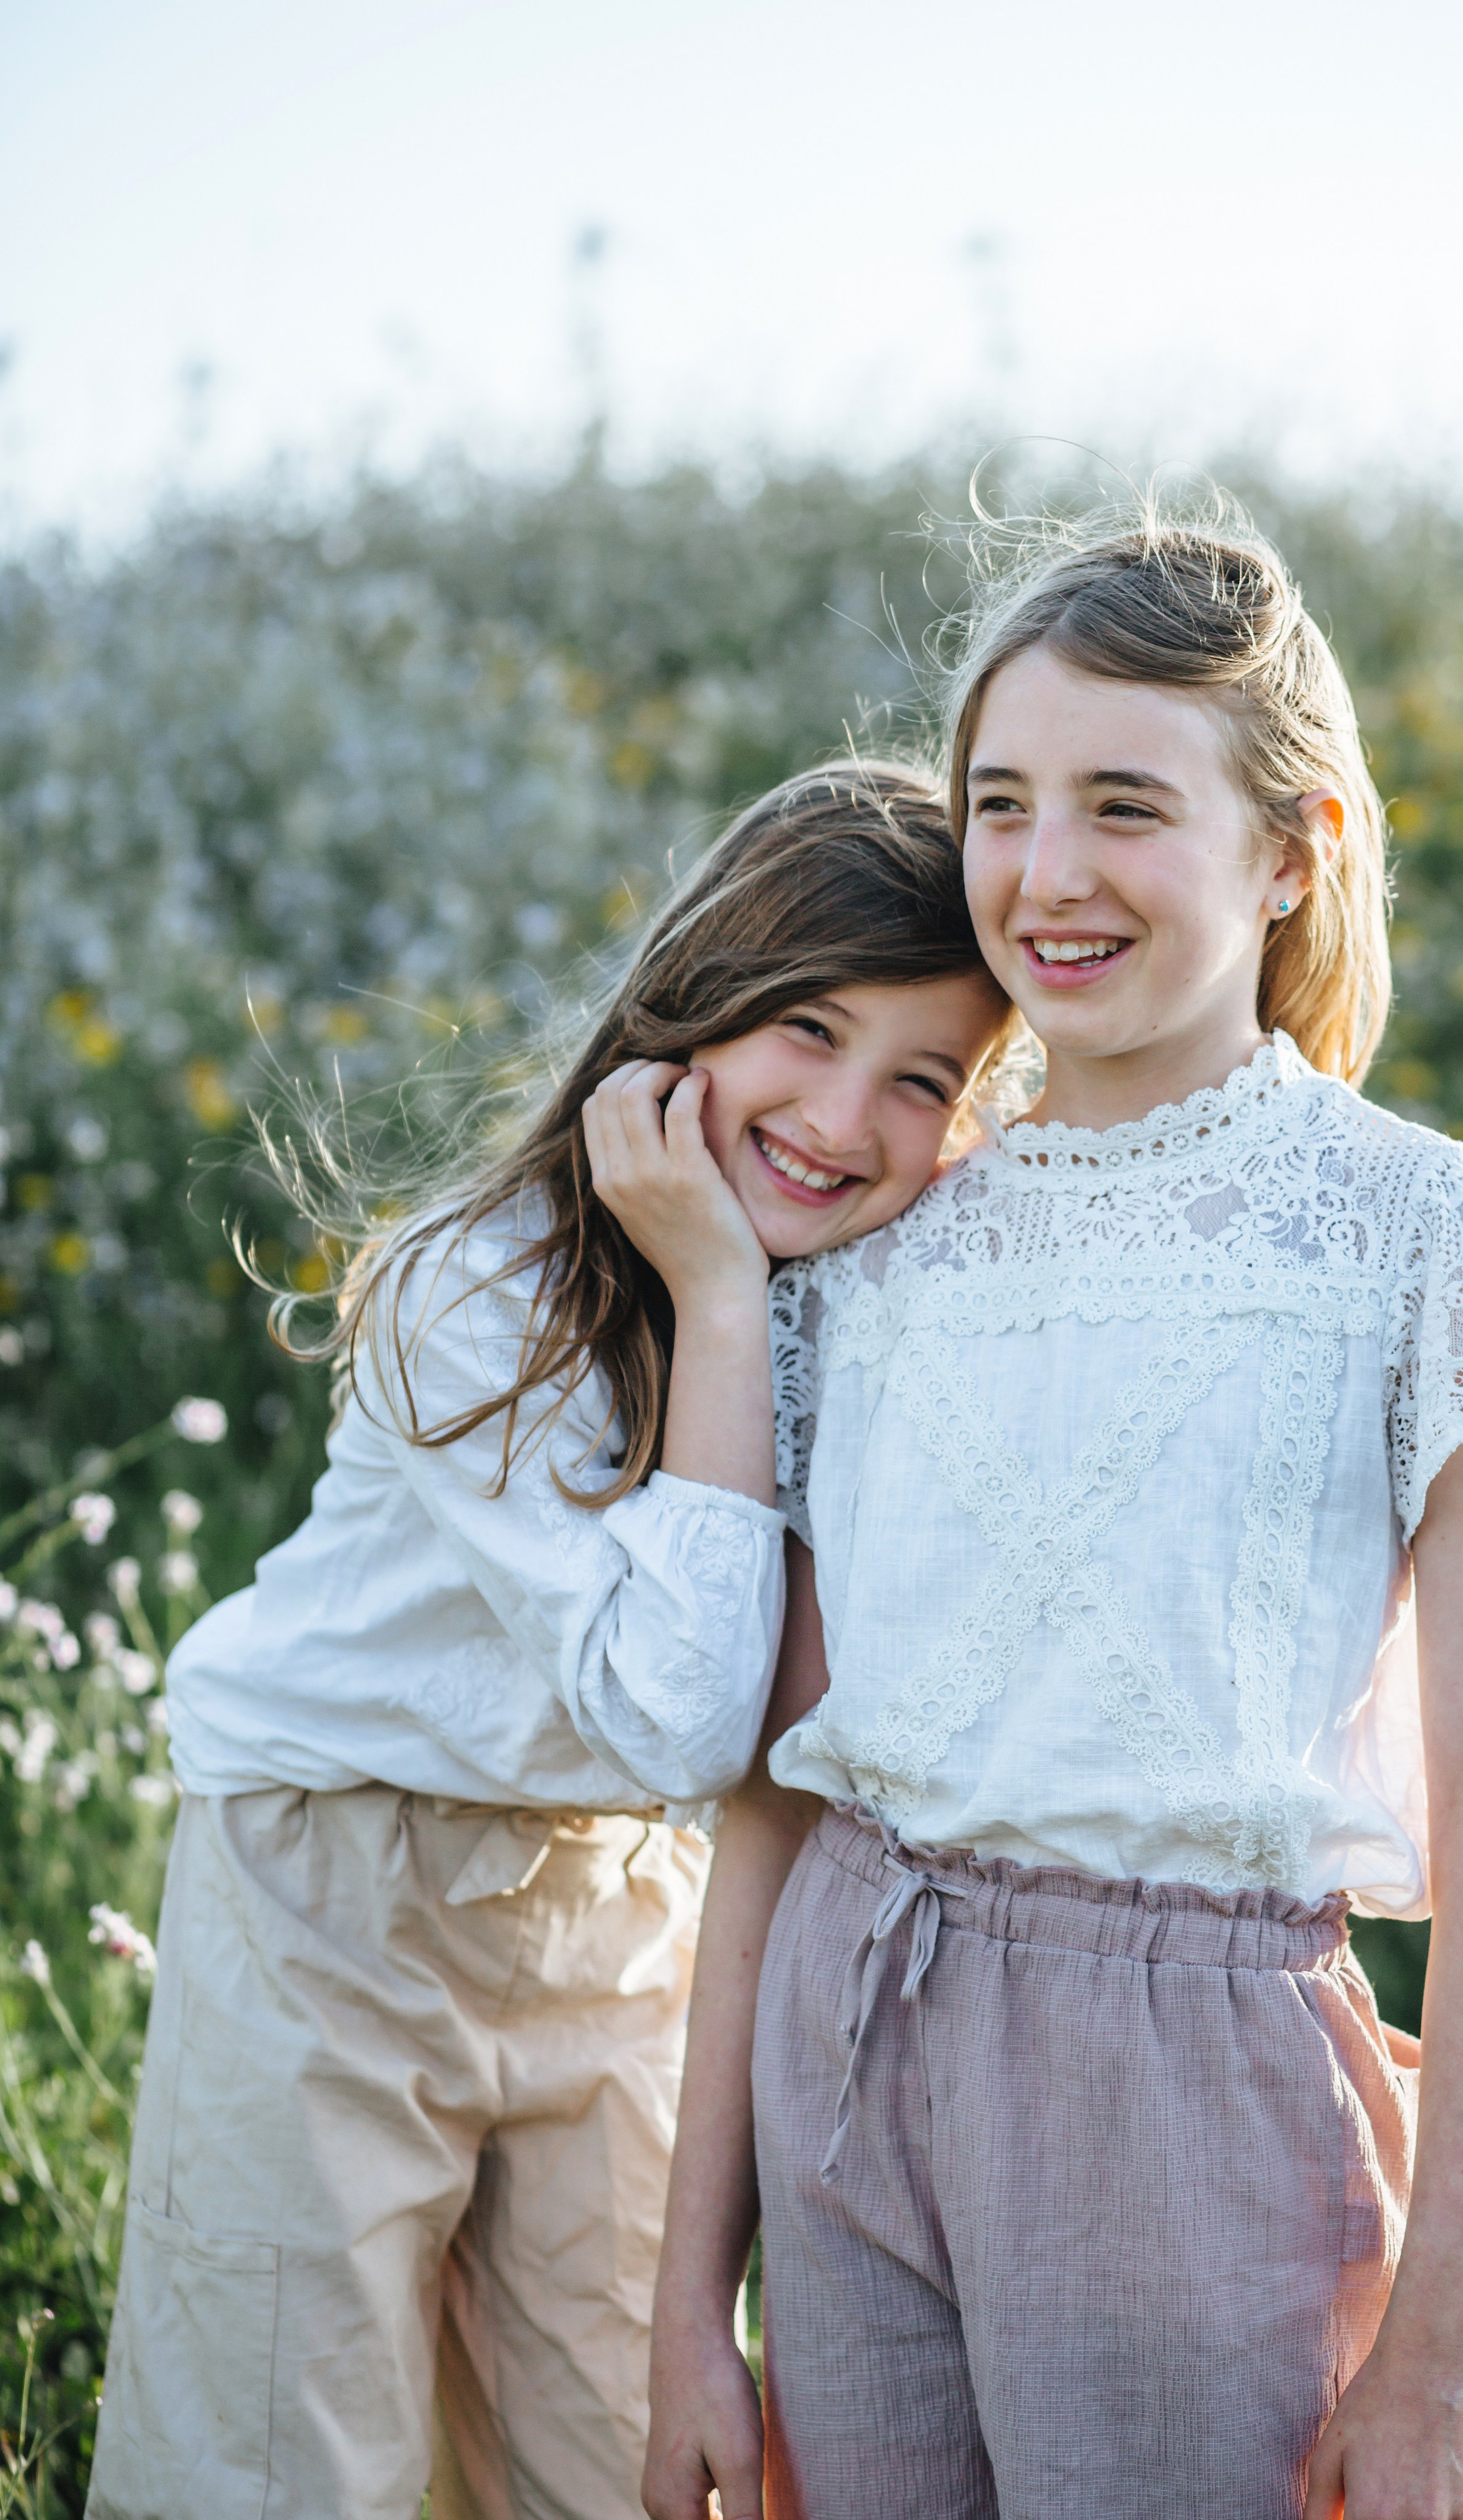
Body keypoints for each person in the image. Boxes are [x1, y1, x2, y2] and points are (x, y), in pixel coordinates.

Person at [639, 505, 1463, 2520]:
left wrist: (1443, 2352)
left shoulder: (1421, 1239)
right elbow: (778, 1797)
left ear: (1294, 850)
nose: (1047, 872)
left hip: (1192, 2104)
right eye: (1001, 805)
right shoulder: (882, 1245)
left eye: (1125, 805)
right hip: (849, 2035)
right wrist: (685, 2303)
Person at [87, 762, 1011, 2520]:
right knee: (281, 2449)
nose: (842, 1115)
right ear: (694, 1003)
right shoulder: (479, 1285)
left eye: (924, 1078)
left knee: (619, 2453)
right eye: (808, 1028)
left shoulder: (871, 1319)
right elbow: (681, 1719)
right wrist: (717, 1294)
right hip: (331, 1888)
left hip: (617, 1910)